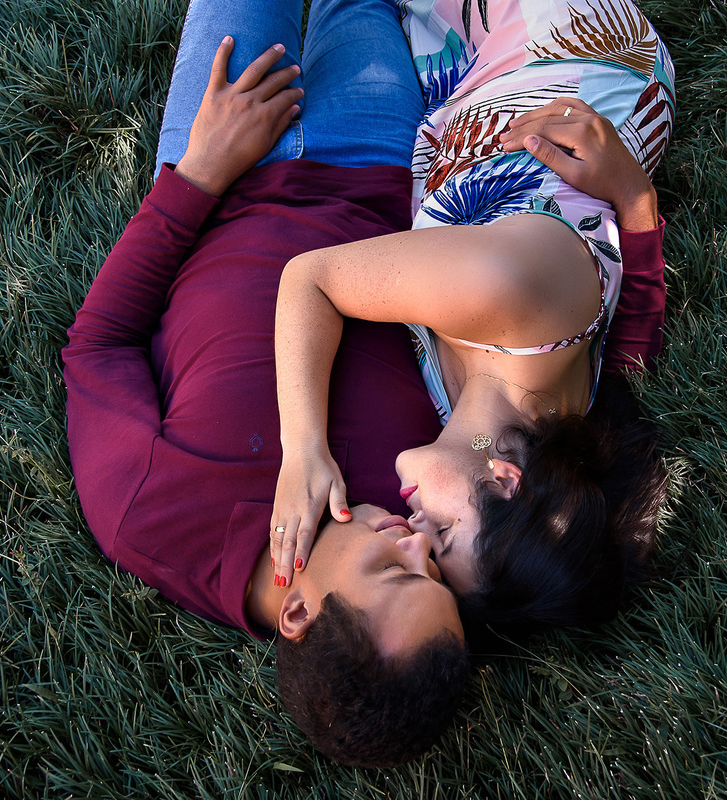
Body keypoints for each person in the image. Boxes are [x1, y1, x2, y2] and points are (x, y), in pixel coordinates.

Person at [63, 0, 472, 767]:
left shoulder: (148, 521)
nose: (420, 544)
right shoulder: (425, 488)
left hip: (223, 163)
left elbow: (98, 345)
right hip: (371, 161)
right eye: (437, 576)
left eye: (395, 571)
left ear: (295, 610)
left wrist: (198, 173)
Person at [270, 0, 673, 633]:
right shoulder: (505, 297)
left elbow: (632, 350)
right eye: (445, 538)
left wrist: (635, 199)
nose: (416, 537)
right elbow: (309, 279)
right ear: (507, 480)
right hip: (552, 57)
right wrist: (303, 451)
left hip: (466, 113)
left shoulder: (542, 418)